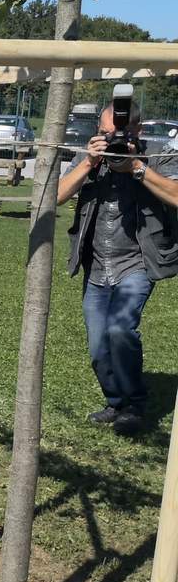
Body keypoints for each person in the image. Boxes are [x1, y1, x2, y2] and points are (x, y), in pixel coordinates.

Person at [58, 102, 178, 436]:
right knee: (98, 344)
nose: (108, 138)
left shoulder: (159, 157)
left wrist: (136, 168)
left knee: (120, 330)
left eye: (116, 134)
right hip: (96, 266)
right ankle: (115, 401)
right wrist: (88, 162)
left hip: (137, 263)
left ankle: (135, 406)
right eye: (104, 131)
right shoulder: (89, 155)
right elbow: (53, 196)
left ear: (137, 131)